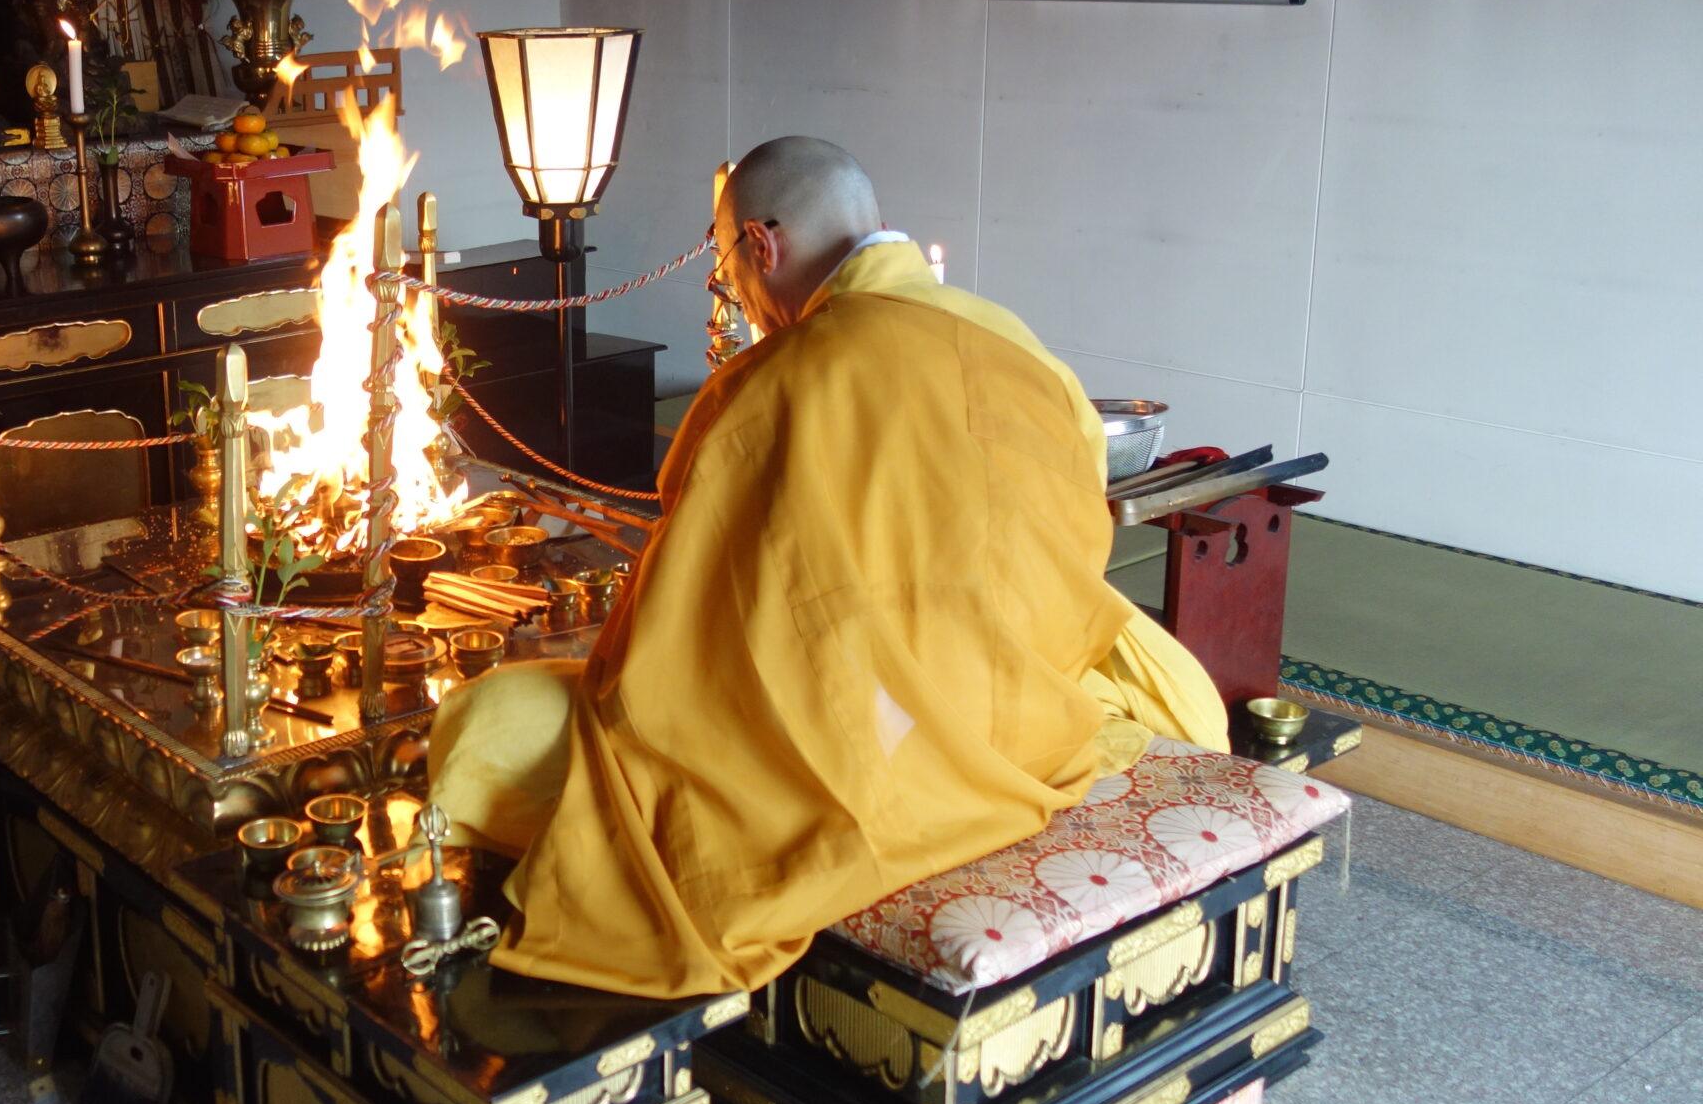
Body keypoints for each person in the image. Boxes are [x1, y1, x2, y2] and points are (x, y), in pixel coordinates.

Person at [428, 136, 1229, 999]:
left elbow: (680, 635)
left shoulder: (764, 385)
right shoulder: (1019, 345)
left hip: (872, 742)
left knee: (487, 724)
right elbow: (1075, 539)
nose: (737, 295)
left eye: (728, 269)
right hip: (1024, 714)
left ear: (761, 245)